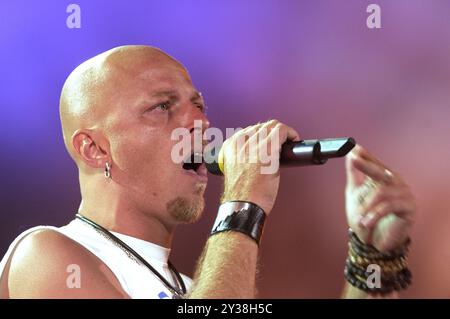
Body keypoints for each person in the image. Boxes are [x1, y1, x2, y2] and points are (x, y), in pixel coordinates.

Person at [0, 45, 416, 299]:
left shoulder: (194, 287)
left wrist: (371, 255)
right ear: (94, 149)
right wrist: (243, 201)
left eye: (198, 105)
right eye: (162, 107)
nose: (200, 125)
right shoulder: (45, 257)